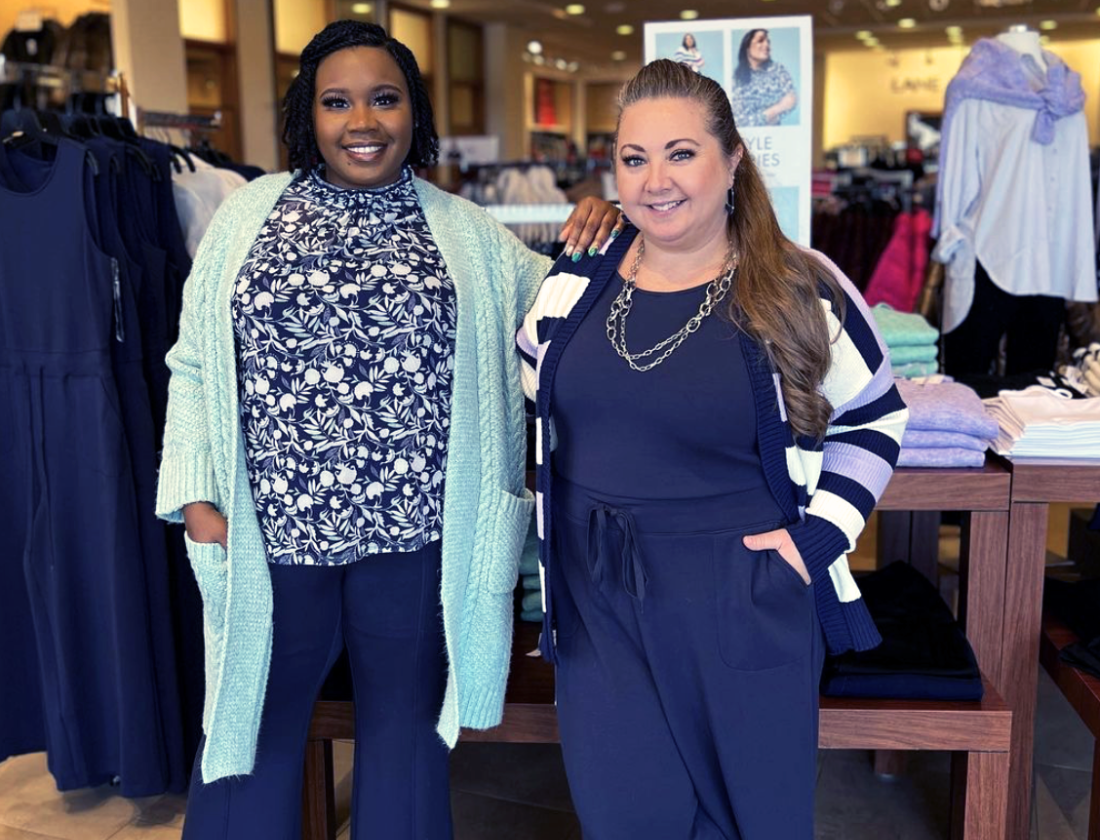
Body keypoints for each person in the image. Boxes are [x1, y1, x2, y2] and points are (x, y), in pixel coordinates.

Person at [156, 19, 619, 840]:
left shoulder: (471, 235)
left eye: (384, 99)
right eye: (337, 102)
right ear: (309, 112)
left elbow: (569, 313)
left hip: (416, 544)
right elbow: (193, 361)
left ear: (414, 112)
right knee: (245, 741)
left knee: (405, 745)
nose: (361, 121)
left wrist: (607, 229)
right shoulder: (245, 218)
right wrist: (194, 496)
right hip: (269, 536)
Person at [518, 59, 908, 839]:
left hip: (740, 588)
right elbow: (535, 392)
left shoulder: (799, 286)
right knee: (626, 814)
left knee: (750, 817)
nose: (655, 179)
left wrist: (817, 540)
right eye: (634, 159)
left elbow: (876, 415)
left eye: (682, 152)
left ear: (732, 161)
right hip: (597, 597)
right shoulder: (578, 275)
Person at [733, 28, 797, 126]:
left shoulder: (778, 70)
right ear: (747, 46)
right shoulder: (737, 77)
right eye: (760, 41)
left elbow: (791, 101)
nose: (766, 45)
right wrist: (776, 109)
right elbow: (739, 120)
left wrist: (759, 117)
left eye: (768, 41)